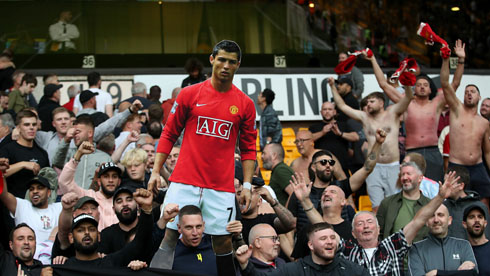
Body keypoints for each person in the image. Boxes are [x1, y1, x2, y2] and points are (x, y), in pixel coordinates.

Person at [149, 40, 256, 275]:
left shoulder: (245, 104)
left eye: (231, 61)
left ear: (238, 65)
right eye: (221, 60)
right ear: (212, 59)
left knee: (222, 243)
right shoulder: (189, 94)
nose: (225, 66)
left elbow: (249, 149)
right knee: (169, 235)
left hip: (221, 187)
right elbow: (168, 133)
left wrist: (247, 184)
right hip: (184, 180)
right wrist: (156, 171)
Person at [377, 41, 465, 183]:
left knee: (434, 190)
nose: (422, 87)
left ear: (431, 89)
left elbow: (454, 83)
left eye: (426, 85)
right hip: (413, 151)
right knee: (411, 190)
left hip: (433, 152)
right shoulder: (406, 103)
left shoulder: (437, 103)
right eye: (419, 85)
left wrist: (459, 60)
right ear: (414, 88)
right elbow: (383, 84)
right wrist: (373, 60)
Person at [330, 74, 413, 211]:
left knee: (396, 207)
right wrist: (332, 86)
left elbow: (408, 98)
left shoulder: (392, 113)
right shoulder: (364, 117)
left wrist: (408, 85)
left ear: (381, 103)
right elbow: (342, 106)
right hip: (373, 168)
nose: (368, 104)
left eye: (372, 101)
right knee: (376, 207)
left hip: (393, 166)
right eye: (367, 102)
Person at [288, 128, 386, 233]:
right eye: (323, 162)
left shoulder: (341, 187)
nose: (328, 165)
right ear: (313, 167)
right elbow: (289, 226)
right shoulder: (301, 193)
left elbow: (367, 168)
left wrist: (378, 143)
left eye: (331, 163)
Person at [441, 48, 490, 209]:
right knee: (454, 205)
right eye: (467, 92)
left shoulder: (484, 122)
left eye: (473, 92)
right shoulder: (456, 110)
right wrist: (457, 60)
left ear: (479, 96)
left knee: (483, 205)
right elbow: (446, 84)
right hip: (457, 166)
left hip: (478, 167)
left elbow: (487, 151)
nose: (469, 94)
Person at [236, 222, 370, 276]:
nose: (330, 242)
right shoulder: (293, 270)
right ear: (311, 245)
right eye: (323, 239)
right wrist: (244, 264)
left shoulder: (353, 271)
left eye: (332, 238)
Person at [64, 188, 154, 267]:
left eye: (91, 229)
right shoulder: (64, 267)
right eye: (80, 230)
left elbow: (139, 241)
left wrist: (146, 210)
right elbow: (62, 234)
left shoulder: (111, 263)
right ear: (71, 238)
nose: (87, 232)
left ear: (99, 236)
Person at [0, 174, 62, 261]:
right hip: (28, 261)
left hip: (54, 260)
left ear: (48, 192)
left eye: (39, 188)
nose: (35, 191)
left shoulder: (59, 207)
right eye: (31, 189)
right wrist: (1, 174)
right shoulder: (21, 206)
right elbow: (3, 194)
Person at [58, 153, 122, 231]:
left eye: (114, 177)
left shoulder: (124, 202)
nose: (111, 180)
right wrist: (78, 155)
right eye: (106, 176)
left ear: (119, 181)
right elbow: (64, 182)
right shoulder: (88, 196)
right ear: (99, 181)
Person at [408, 204, 478, 275]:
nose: (436, 220)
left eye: (440, 215)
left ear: (449, 220)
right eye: (432, 216)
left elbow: (473, 274)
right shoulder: (416, 249)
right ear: (426, 222)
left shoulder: (463, 246)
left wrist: (436, 273)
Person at [291, 185, 355, 259]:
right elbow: (298, 261)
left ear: (343, 201)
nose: (326, 194)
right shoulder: (308, 228)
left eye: (332, 192)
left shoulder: (352, 230)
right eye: (323, 193)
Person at [0, 110, 49, 198]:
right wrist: (22, 164)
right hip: (14, 204)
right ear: (18, 128)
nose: (31, 128)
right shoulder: (7, 149)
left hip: (37, 204)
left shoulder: (42, 153)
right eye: (27, 125)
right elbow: (2, 173)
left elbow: (47, 180)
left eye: (34, 124)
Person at [376, 162, 430, 241]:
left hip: (422, 252)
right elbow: (378, 233)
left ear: (420, 178)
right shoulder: (387, 203)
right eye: (402, 174)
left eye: (408, 174)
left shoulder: (429, 204)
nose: (404, 177)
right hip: (392, 252)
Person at [443, 165, 490, 240]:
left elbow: (486, 237)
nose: (444, 186)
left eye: (449, 183)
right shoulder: (442, 206)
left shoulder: (479, 206)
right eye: (444, 182)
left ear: (461, 185)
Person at [309, 101, 359, 172]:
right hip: (321, 167)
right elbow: (308, 139)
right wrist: (322, 132)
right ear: (321, 112)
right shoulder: (314, 127)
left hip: (342, 167)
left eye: (330, 109)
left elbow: (356, 137)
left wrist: (340, 133)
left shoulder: (343, 125)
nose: (327, 111)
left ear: (334, 112)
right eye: (325, 109)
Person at [463, 204, 490, 275]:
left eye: (480, 217)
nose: (477, 220)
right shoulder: (460, 251)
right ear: (464, 224)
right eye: (472, 217)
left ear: (485, 223)